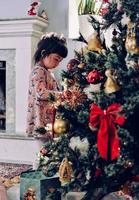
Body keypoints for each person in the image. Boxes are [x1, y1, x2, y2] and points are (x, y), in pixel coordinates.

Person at [26, 32, 68, 136]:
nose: (57, 64)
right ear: (44, 53)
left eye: (60, 61)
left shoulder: (48, 73)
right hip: (40, 123)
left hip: (49, 121)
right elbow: (41, 93)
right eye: (56, 59)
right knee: (41, 150)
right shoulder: (38, 71)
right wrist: (63, 95)